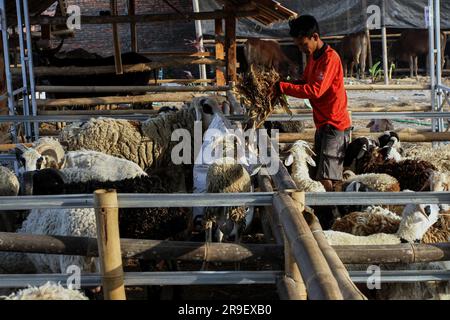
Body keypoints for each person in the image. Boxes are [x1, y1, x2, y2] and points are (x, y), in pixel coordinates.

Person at [276, 15, 351, 191]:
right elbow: (305, 83)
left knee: (327, 177)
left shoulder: (330, 59)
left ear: (315, 37)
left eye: (303, 44)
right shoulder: (314, 57)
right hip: (323, 123)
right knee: (321, 172)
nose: (302, 48)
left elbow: (315, 90)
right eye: (298, 45)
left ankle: (331, 212)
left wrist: (282, 87)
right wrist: (281, 83)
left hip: (335, 125)